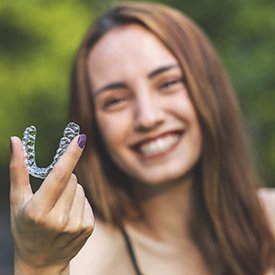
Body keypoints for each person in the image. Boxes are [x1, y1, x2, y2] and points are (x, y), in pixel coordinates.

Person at [9, 2, 275, 275]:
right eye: (115, 100)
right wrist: (39, 264)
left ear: (210, 89)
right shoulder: (82, 259)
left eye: (168, 83)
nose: (148, 118)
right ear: (92, 123)